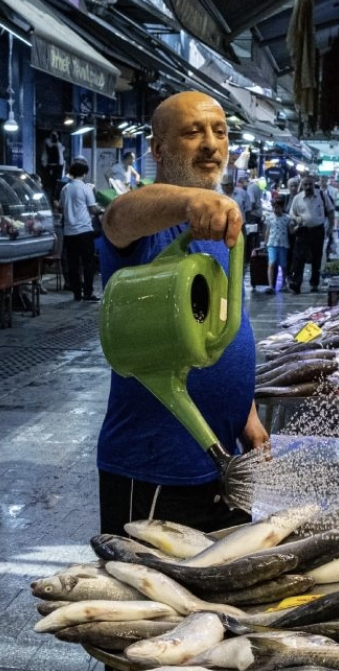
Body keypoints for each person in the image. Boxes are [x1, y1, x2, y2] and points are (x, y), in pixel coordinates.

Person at [96, 90, 269, 536]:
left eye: (220, 132)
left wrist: (245, 411)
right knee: (153, 600)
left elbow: (222, 325)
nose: (211, 144)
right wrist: (188, 203)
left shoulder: (218, 226)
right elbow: (116, 218)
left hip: (223, 459)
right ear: (157, 149)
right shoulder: (150, 230)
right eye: (193, 133)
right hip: (155, 469)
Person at [59, 159, 102, 301]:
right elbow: (93, 208)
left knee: (73, 265)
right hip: (84, 231)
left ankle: (77, 294)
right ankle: (88, 293)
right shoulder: (85, 188)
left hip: (69, 232)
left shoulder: (65, 188)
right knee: (88, 263)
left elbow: (60, 207)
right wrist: (102, 210)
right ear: (84, 173)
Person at [288, 175, 335, 294]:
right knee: (299, 257)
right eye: (305, 185)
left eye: (310, 184)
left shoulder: (322, 195)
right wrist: (296, 217)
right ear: (302, 186)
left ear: (314, 184)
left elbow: (330, 211)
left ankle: (314, 283)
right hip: (303, 230)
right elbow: (291, 212)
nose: (308, 187)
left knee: (316, 257)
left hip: (318, 230)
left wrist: (331, 227)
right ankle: (296, 283)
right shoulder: (297, 198)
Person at [264, 195, 290, 294]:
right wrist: (265, 243)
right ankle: (271, 285)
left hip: (283, 244)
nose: (275, 209)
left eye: (278, 207)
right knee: (271, 263)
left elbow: (290, 230)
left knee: (283, 265)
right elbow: (267, 231)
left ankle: (283, 284)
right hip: (272, 244)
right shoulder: (269, 218)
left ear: (282, 207)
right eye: (274, 207)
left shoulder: (287, 218)